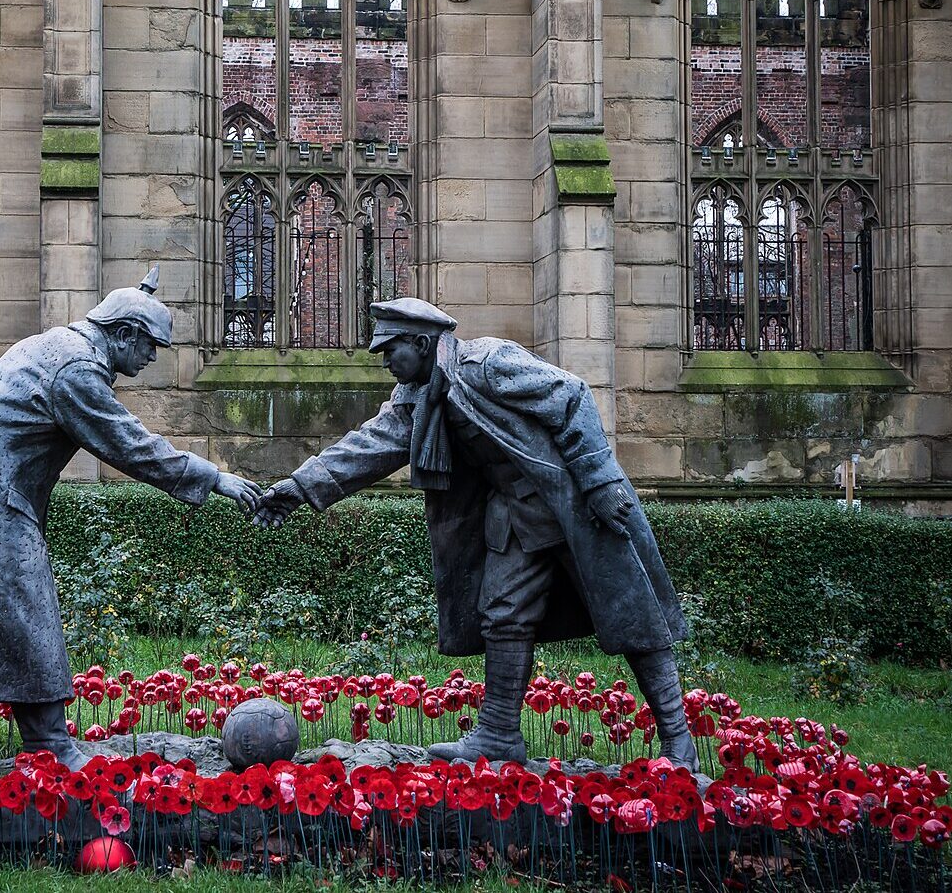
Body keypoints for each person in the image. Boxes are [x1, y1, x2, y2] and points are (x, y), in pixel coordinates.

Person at [0, 269, 261, 770]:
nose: (151, 359)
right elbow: (127, 444)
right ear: (123, 333)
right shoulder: (76, 369)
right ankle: (48, 745)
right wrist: (214, 478)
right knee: (26, 607)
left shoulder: (53, 343)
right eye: (150, 346)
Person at [253, 298, 696, 769]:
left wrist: (602, 480)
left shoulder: (488, 362)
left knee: (629, 614)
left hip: (573, 503)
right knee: (502, 613)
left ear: (422, 343)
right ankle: (499, 736)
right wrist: (298, 487)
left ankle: (678, 742)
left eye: (390, 350)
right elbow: (368, 445)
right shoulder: (418, 393)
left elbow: (572, 396)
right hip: (515, 515)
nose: (385, 363)